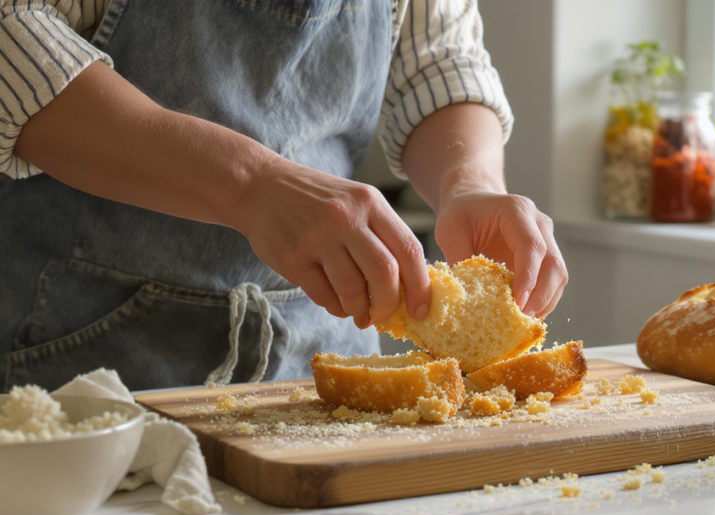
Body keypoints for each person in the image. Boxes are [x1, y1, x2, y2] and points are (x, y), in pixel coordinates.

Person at [0, 0, 568, 393]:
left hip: (320, 356)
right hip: (76, 365)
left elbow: (440, 58)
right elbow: (13, 38)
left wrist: (468, 183)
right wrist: (251, 185)